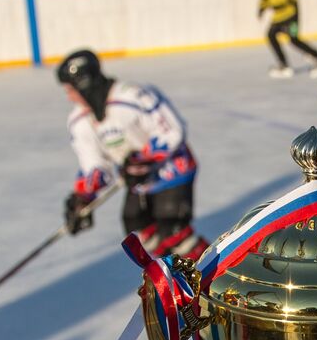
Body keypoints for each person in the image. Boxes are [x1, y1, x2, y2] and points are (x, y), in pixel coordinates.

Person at [57, 49, 210, 260]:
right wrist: (82, 198)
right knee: (141, 229)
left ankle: (214, 276)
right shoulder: (80, 120)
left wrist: (142, 159)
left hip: (172, 170)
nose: (69, 97)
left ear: (85, 83)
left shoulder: (133, 96)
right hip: (137, 181)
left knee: (173, 232)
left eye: (70, 89)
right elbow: (94, 166)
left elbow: (172, 131)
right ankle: (178, 279)